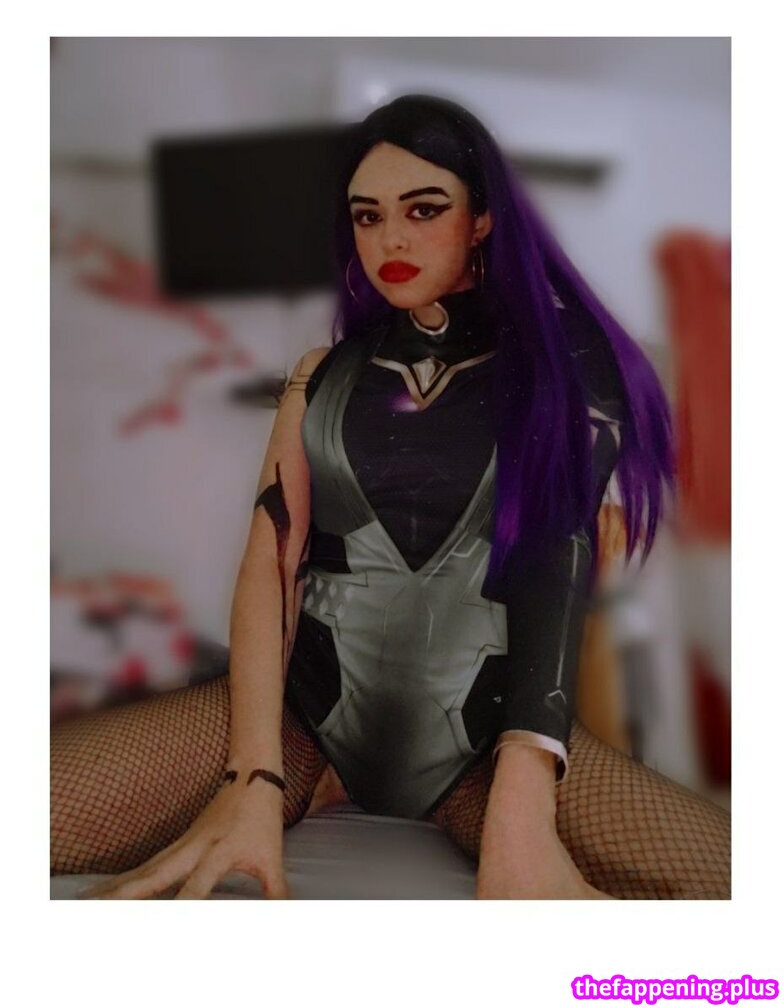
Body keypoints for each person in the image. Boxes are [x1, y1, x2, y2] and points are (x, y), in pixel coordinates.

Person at [51, 94, 730, 900]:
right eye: (368, 216)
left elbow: (556, 559)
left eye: (424, 208)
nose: (392, 239)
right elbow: (271, 565)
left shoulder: (567, 364)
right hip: (306, 727)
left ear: (482, 218)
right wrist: (254, 777)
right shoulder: (324, 375)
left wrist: (523, 796)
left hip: (481, 746)